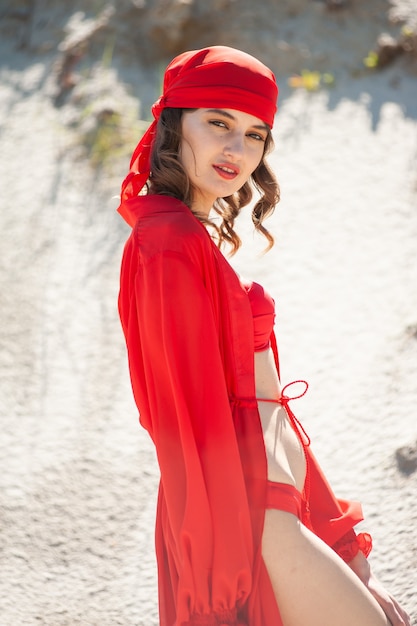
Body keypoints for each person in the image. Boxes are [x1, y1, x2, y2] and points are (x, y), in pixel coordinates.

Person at [117, 46, 410, 626]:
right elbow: (188, 427)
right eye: (218, 123)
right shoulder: (167, 247)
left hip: (278, 507)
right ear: (175, 123)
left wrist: (337, 540)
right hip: (245, 520)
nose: (236, 149)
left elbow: (270, 408)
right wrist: (231, 571)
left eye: (254, 134)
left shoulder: (192, 241)